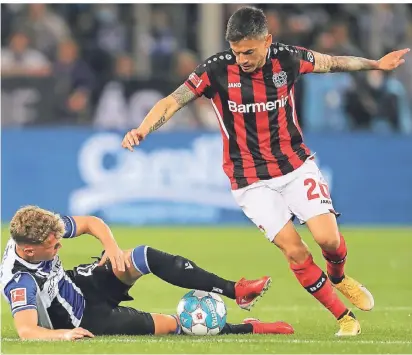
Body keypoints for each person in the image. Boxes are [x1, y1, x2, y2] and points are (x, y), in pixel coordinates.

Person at [121, 7, 410, 336]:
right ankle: (344, 317)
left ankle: (339, 276)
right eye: (236, 51)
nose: (242, 59)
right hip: (249, 181)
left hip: (295, 166)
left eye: (249, 51)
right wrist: (143, 129)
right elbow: (174, 100)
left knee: (328, 238)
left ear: (267, 41)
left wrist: (376, 64)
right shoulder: (216, 70)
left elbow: (332, 62)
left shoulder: (286, 59)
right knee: (295, 249)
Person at [0, 205, 295, 341]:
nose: (60, 245)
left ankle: (236, 291)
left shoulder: (38, 229)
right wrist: (65, 335)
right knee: (173, 325)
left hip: (78, 285)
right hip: (85, 318)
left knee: (142, 255)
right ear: (29, 252)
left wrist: (112, 248)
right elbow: (27, 331)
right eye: (53, 246)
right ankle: (249, 328)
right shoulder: (21, 282)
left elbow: (91, 222)